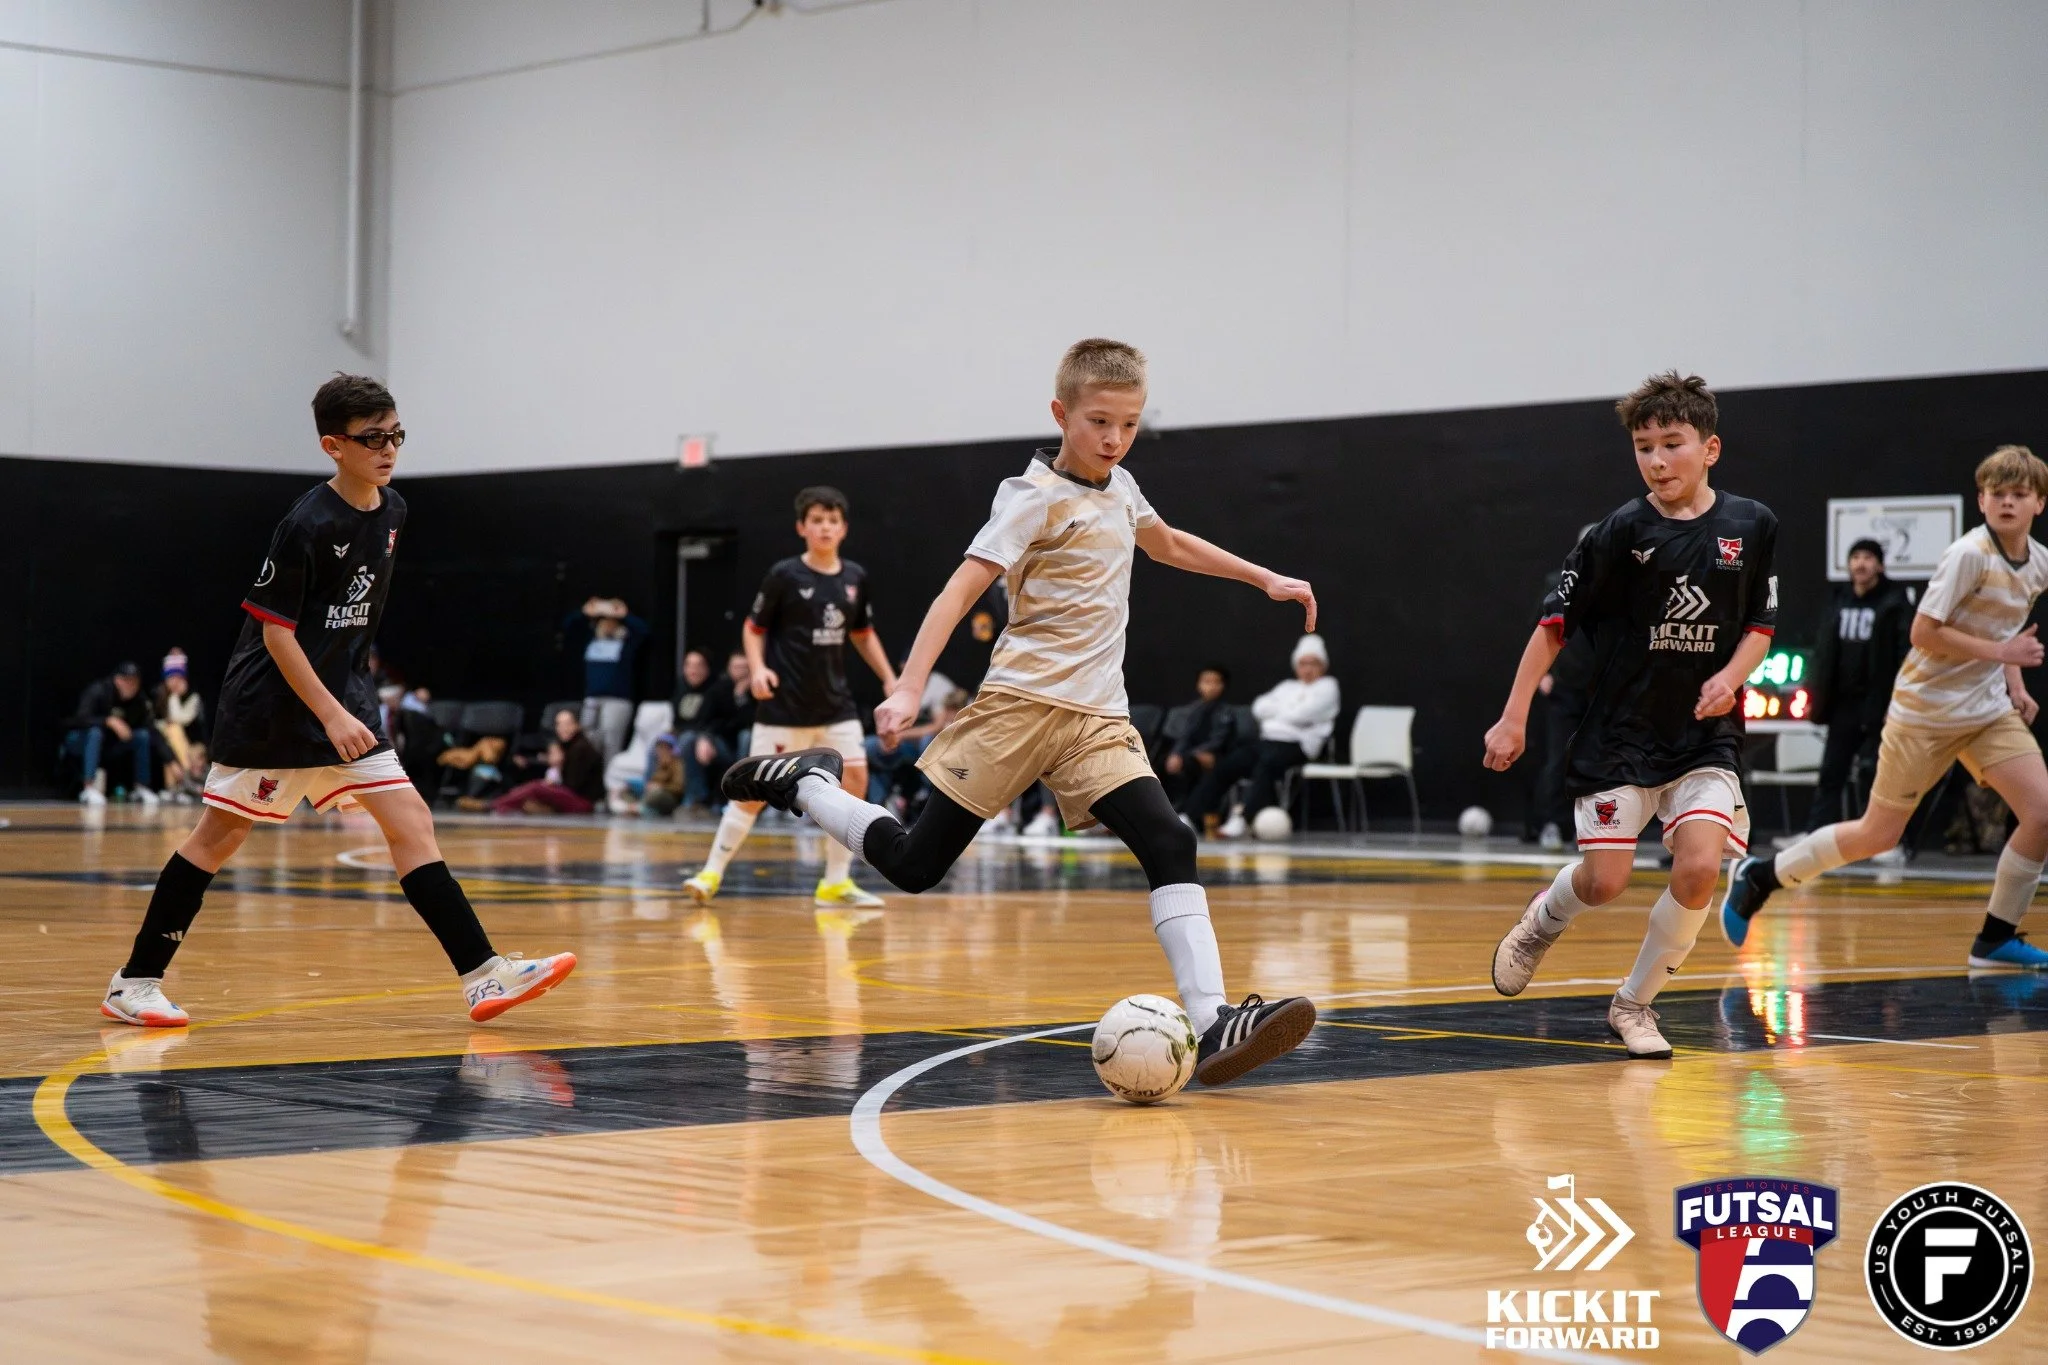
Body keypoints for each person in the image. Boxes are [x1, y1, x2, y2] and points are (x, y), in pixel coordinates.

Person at [722, 338, 1319, 1086]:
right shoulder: (1030, 496)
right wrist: (907, 688)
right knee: (915, 864)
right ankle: (807, 785)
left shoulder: (1123, 487)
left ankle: (1212, 1020)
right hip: (1019, 707)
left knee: (1170, 839)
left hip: (1096, 719)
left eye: (1130, 424)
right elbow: (958, 591)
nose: (1114, 438)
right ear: (1061, 414)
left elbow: (1167, 543)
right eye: (1099, 422)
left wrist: (1264, 578)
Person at [100, 373, 574, 1029]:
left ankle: (482, 974)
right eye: (372, 438)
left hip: (344, 702)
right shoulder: (306, 524)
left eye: (396, 435)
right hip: (275, 709)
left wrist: (350, 697)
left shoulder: (394, 510)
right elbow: (277, 633)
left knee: (411, 821)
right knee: (220, 835)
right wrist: (329, 711)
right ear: (333, 445)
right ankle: (134, 982)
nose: (389, 449)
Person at [1483, 372, 1778, 1058]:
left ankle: (1634, 1004)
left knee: (1699, 867)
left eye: (1672, 444)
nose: (1657, 460)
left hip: (1704, 737)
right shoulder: (1619, 532)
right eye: (1644, 447)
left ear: (1710, 448)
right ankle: (1544, 918)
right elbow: (1553, 626)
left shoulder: (1752, 524)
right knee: (1605, 882)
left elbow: (1760, 626)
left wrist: (1730, 679)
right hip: (1620, 735)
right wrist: (1513, 716)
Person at [1725, 446, 2048, 969]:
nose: (2007, 502)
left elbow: (2006, 629)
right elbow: (1924, 632)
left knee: (2041, 814)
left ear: (2039, 503)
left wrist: (2013, 682)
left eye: (2020, 493)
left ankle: (1995, 937)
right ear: (1981, 500)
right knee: (1878, 834)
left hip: (1986, 713)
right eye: (1997, 493)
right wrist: (2004, 655)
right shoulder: (1969, 555)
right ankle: (1761, 876)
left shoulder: (2039, 562)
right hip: (1924, 712)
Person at [684, 488, 898, 909]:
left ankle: (835, 882)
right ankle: (710, 873)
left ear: (844, 528)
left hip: (836, 707)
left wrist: (891, 679)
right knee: (754, 793)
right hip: (783, 709)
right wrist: (758, 668)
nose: (825, 528)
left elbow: (863, 634)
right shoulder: (784, 575)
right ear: (802, 527)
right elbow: (753, 629)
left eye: (832, 521)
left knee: (854, 785)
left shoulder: (855, 577)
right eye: (817, 520)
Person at [1800, 537, 1916, 830]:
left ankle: (1879, 838)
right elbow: (1823, 652)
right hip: (1843, 704)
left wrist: (1897, 700)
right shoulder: (1839, 599)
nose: (1861, 564)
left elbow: (1906, 654)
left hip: (1879, 704)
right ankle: (1816, 836)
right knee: (1831, 773)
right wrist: (1818, 696)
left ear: (1880, 565)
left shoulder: (1894, 601)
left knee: (1874, 774)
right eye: (1855, 558)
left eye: (1867, 558)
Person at [1185, 637, 1340, 838]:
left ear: (1323, 666)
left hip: (1299, 745)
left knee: (1267, 764)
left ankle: (1243, 818)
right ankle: (1191, 817)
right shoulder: (1287, 687)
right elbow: (1259, 708)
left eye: (1313, 663)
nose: (1308, 669)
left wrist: (1278, 714)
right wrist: (1288, 712)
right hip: (1267, 741)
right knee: (1228, 764)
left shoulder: (1328, 687)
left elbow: (1303, 714)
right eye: (1303, 663)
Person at [563, 597, 648, 765]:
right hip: (592, 698)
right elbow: (568, 626)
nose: (608, 625)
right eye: (604, 621)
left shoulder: (626, 642)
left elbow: (643, 631)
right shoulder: (590, 639)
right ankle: (590, 779)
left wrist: (625, 615)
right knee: (587, 742)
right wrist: (584, 612)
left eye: (612, 622)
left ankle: (610, 779)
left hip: (617, 699)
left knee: (611, 743)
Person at [1159, 665, 1246, 819]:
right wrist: (1176, 754)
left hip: (1218, 756)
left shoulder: (1226, 712)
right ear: (1198, 685)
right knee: (1159, 764)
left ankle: (1187, 813)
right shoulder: (1194, 710)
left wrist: (1195, 754)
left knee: (1192, 765)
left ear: (1223, 686)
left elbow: (1219, 740)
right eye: (1206, 682)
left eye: (1216, 682)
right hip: (1191, 754)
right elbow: (1185, 736)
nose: (1211, 687)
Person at [68, 662, 159, 806]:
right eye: (127, 681)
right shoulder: (98, 690)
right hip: (81, 740)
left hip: (109, 744)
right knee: (95, 733)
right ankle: (88, 787)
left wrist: (171, 760)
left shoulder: (139, 699)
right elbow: (79, 719)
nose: (131, 686)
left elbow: (151, 728)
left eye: (135, 682)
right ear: (117, 680)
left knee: (142, 736)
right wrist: (108, 721)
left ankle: (141, 787)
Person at [865, 688, 968, 811]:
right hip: (912, 752)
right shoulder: (939, 716)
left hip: (927, 761)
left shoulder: (962, 725)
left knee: (870, 749)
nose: (947, 714)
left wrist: (900, 735)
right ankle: (879, 806)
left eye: (952, 710)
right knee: (877, 767)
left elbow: (934, 729)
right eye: (947, 710)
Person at [490, 708, 604, 815]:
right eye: (559, 724)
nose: (562, 728)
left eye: (567, 724)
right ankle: (504, 806)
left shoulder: (581, 749)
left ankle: (493, 805)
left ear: (577, 726)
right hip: (572, 797)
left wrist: (557, 769)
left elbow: (572, 786)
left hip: (583, 803)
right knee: (528, 795)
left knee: (536, 788)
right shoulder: (566, 746)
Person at [683, 650, 755, 809]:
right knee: (689, 739)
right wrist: (705, 738)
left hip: (750, 748)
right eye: (736, 667)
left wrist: (741, 697)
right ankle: (696, 798)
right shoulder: (718, 689)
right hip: (723, 744)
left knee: (746, 736)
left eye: (744, 668)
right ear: (729, 668)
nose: (740, 672)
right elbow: (704, 720)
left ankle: (740, 793)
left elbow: (751, 722)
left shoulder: (758, 690)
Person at [154, 649, 210, 800]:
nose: (175, 682)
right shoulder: (158, 697)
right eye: (171, 677)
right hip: (168, 747)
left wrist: (175, 697)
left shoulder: (193, 698)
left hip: (192, 745)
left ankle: (182, 784)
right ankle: (178, 786)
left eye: (179, 677)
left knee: (174, 730)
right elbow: (155, 727)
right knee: (170, 737)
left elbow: (183, 721)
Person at [641, 736, 686, 817]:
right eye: (659, 748)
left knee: (656, 794)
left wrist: (660, 787)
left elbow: (679, 787)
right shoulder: (658, 764)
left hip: (670, 797)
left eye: (664, 748)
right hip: (654, 793)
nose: (661, 751)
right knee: (629, 787)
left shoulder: (677, 764)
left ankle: (639, 808)